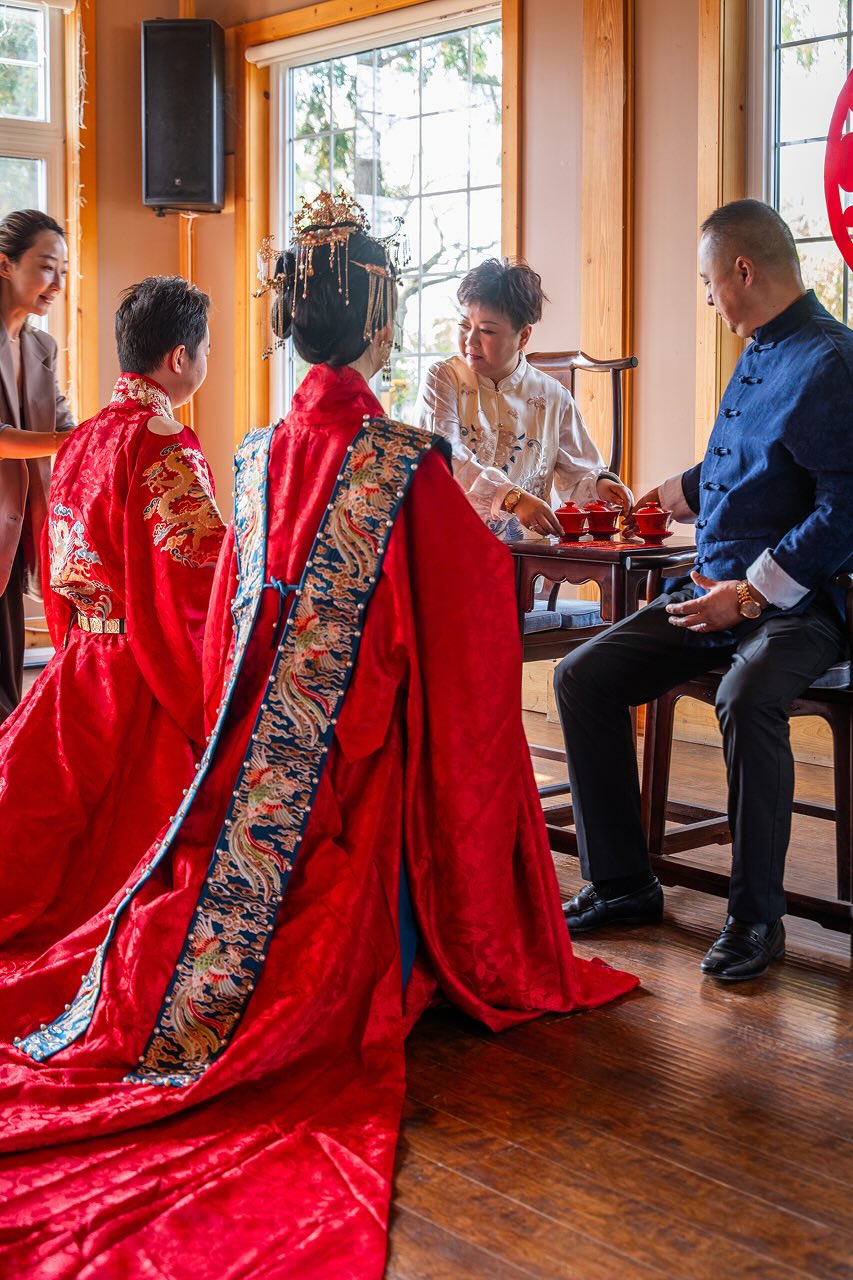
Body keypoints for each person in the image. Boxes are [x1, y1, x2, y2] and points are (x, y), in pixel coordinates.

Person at [0, 192, 636, 1280]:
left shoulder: (254, 451)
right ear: (379, 325)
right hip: (353, 748)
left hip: (255, 740)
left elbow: (221, 611)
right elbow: (468, 607)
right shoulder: (398, 457)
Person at [557, 199, 853, 982]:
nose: (707, 298)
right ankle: (621, 885)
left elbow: (843, 511)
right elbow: (746, 463)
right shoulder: (759, 348)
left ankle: (755, 919)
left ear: (742, 271)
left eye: (705, 282)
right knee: (582, 676)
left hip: (804, 607)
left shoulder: (831, 361)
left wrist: (747, 597)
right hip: (710, 589)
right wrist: (664, 494)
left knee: (746, 697)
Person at [0, 274, 224, 966]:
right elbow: (195, 574)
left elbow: (56, 551)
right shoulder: (165, 439)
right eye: (207, 348)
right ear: (180, 357)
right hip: (135, 671)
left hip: (77, 664)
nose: (207, 359)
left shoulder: (83, 438)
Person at [416, 257, 632, 539]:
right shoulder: (444, 378)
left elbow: (579, 474)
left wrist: (602, 488)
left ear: (523, 336)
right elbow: (446, 457)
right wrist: (511, 497)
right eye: (464, 325)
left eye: (487, 330)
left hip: (529, 552)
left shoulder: (553, 396)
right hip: (452, 544)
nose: (470, 340)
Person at [0, 209, 75, 723]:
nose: (58, 284)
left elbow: (65, 422)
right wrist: (65, 440)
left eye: (63, 272)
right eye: (47, 267)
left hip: (22, 528)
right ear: (5, 264)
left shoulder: (42, 346)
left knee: (9, 684)